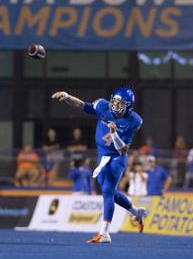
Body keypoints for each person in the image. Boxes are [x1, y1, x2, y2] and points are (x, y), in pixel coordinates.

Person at [52, 88, 148, 244]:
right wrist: (67, 96)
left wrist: (114, 133)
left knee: (107, 190)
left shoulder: (134, 120)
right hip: (102, 155)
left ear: (128, 106)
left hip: (117, 157)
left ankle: (104, 233)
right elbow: (82, 105)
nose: (115, 105)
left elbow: (123, 149)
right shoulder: (103, 106)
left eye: (120, 103)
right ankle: (136, 212)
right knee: (110, 191)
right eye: (115, 101)